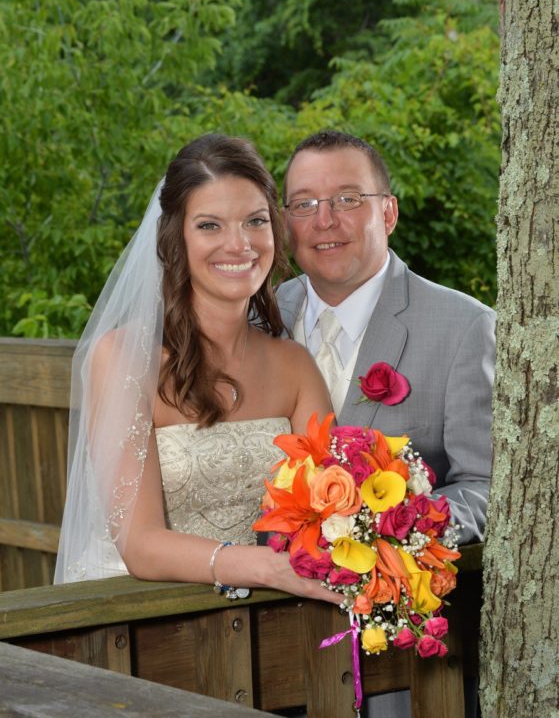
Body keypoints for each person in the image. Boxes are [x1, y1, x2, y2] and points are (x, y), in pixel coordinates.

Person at [54, 133, 339, 607]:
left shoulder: (294, 365)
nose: (239, 244)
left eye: (255, 221)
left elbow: (333, 501)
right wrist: (266, 566)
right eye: (210, 225)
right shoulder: (124, 359)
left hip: (267, 615)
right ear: (176, 238)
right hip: (136, 613)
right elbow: (139, 545)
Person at [276, 129, 494, 716]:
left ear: (388, 213)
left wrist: (393, 534)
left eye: (348, 199)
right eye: (304, 203)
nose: (325, 220)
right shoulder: (260, 315)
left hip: (401, 667)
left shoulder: (463, 327)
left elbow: (486, 484)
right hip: (265, 648)